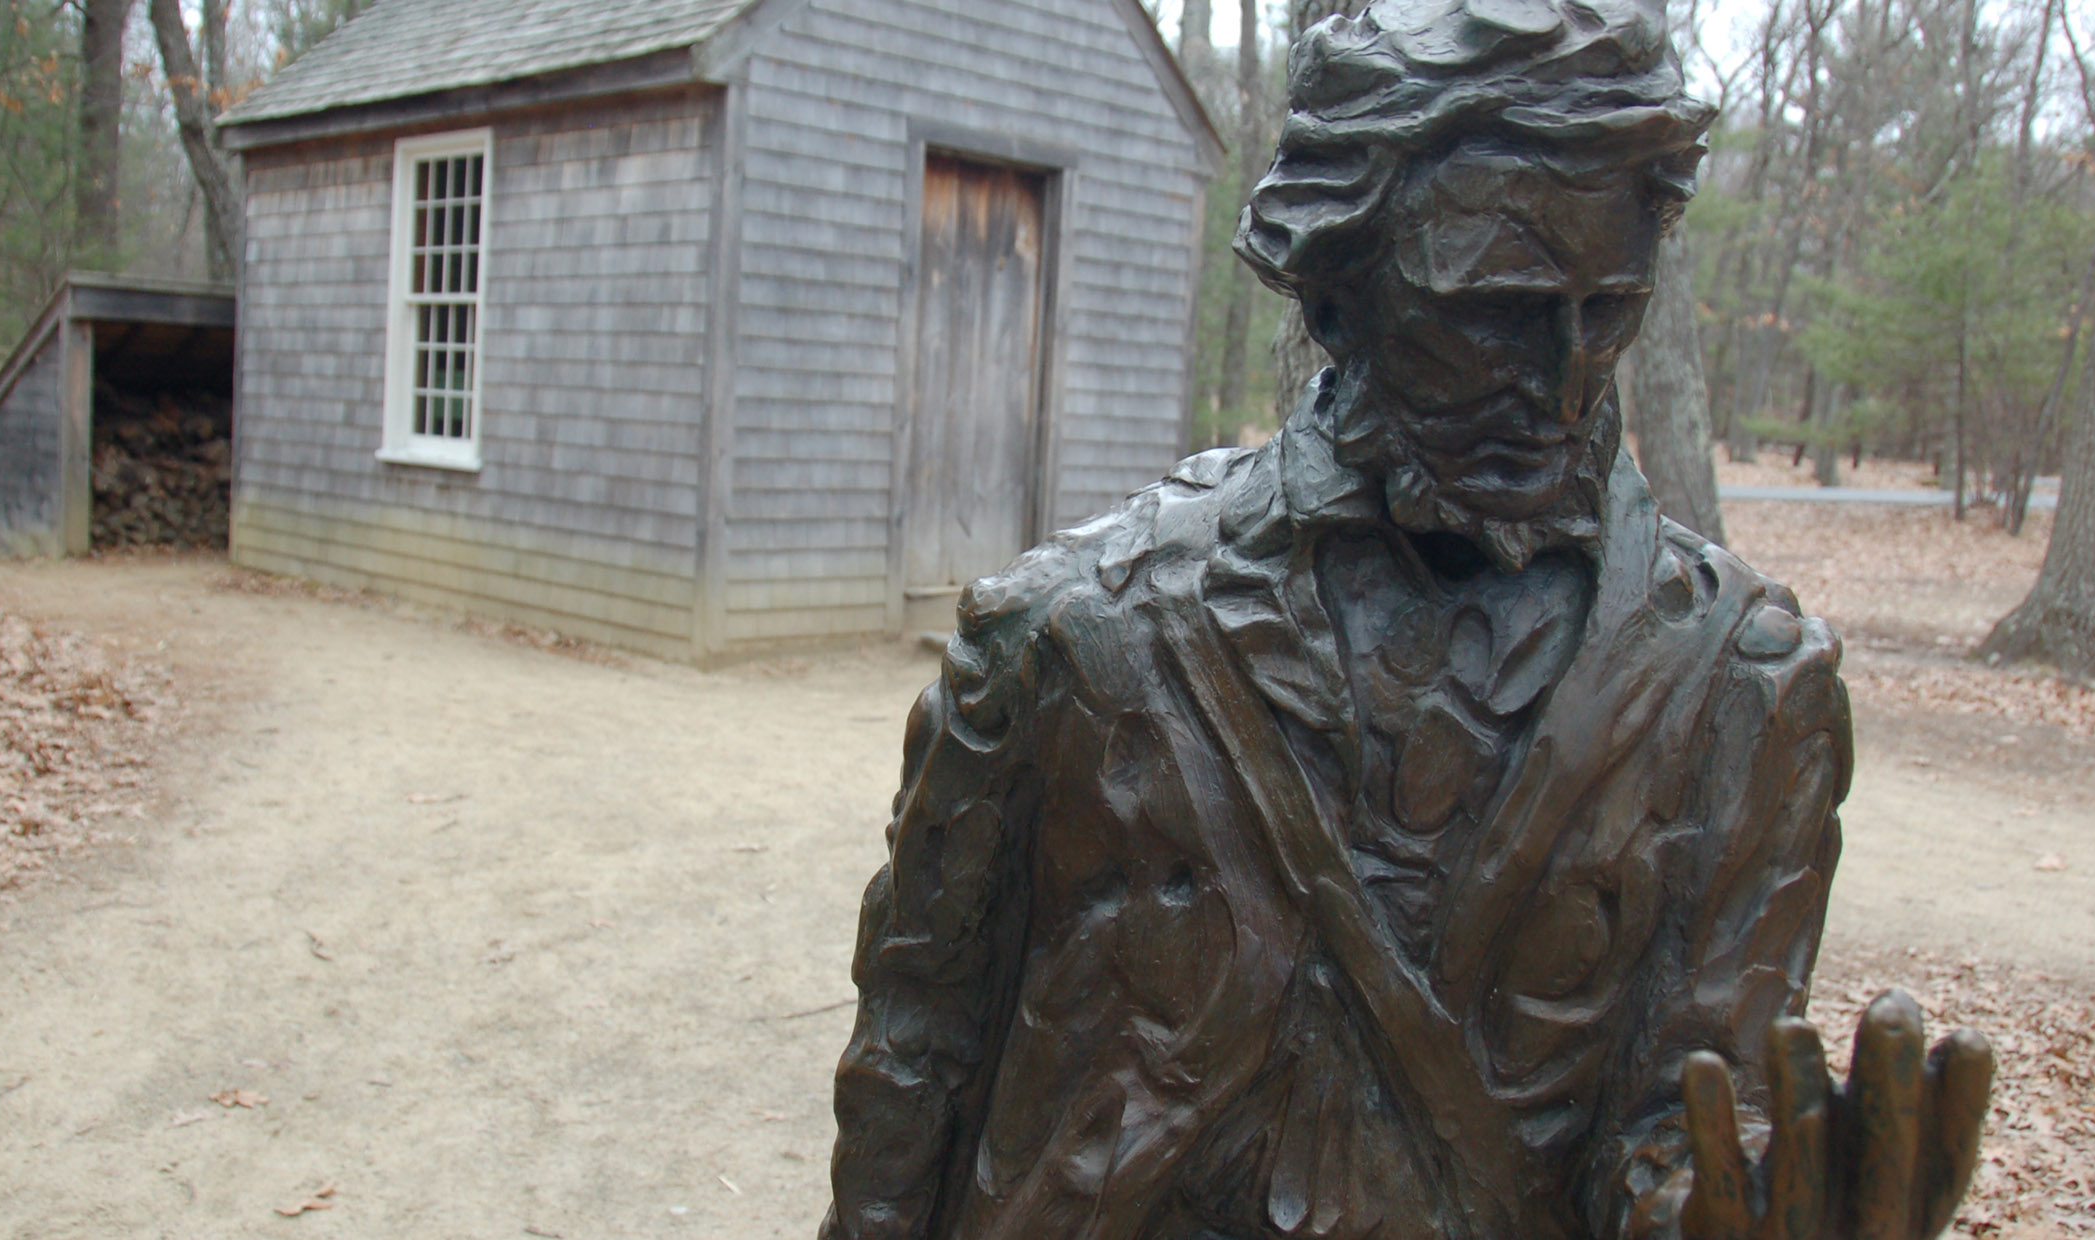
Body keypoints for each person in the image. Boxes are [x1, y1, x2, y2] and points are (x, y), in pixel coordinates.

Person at [820, 1, 1990, 1236]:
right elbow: (915, 1062)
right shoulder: (1066, 641)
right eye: (1493, 309)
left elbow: (1690, 1114)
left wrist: (1736, 1206)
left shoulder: (1744, 694)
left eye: (1606, 310)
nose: (1562, 382)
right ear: (1335, 291)